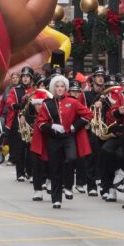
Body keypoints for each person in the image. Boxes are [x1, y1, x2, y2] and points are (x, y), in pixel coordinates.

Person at [30, 75, 93, 209]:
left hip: (68, 136)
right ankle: (56, 199)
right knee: (55, 168)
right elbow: (41, 123)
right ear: (53, 88)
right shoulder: (47, 104)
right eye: (57, 86)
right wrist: (52, 126)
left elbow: (88, 114)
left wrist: (74, 126)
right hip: (52, 138)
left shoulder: (73, 102)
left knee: (71, 158)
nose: (59, 89)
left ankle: (69, 186)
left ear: (66, 88)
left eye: (62, 86)